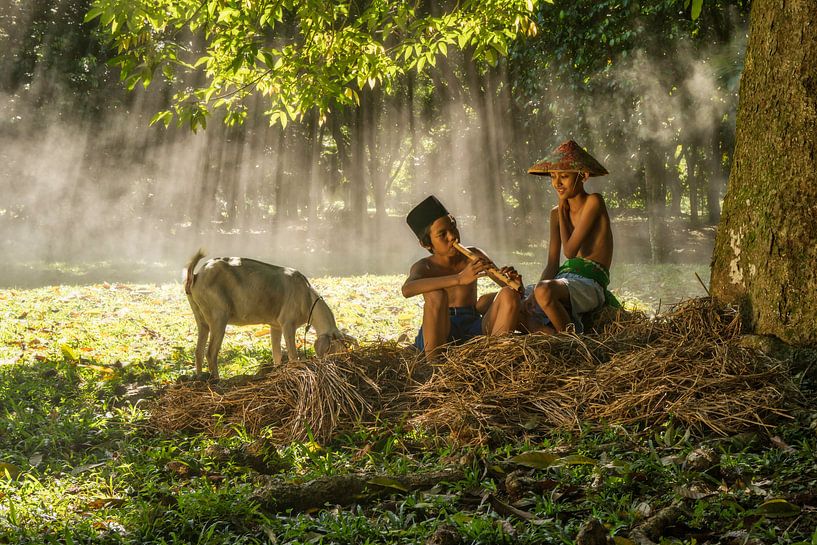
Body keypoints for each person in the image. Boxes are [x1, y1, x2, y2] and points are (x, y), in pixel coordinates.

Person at [402, 195, 523, 357]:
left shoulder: (473, 255)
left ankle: (496, 362)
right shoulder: (425, 266)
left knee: (509, 294)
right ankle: (434, 370)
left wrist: (514, 284)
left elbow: (508, 290)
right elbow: (407, 290)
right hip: (440, 330)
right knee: (436, 294)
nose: (452, 236)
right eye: (442, 234)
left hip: (472, 326)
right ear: (426, 244)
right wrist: (459, 278)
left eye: (453, 228)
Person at [522, 140, 621, 334]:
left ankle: (573, 342)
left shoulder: (594, 201)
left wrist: (561, 207)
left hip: (589, 283)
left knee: (543, 290)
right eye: (552, 176)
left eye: (564, 176)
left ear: (582, 176)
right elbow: (552, 264)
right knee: (509, 302)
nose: (556, 183)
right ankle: (552, 335)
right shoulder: (555, 214)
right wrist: (532, 296)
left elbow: (569, 251)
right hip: (561, 280)